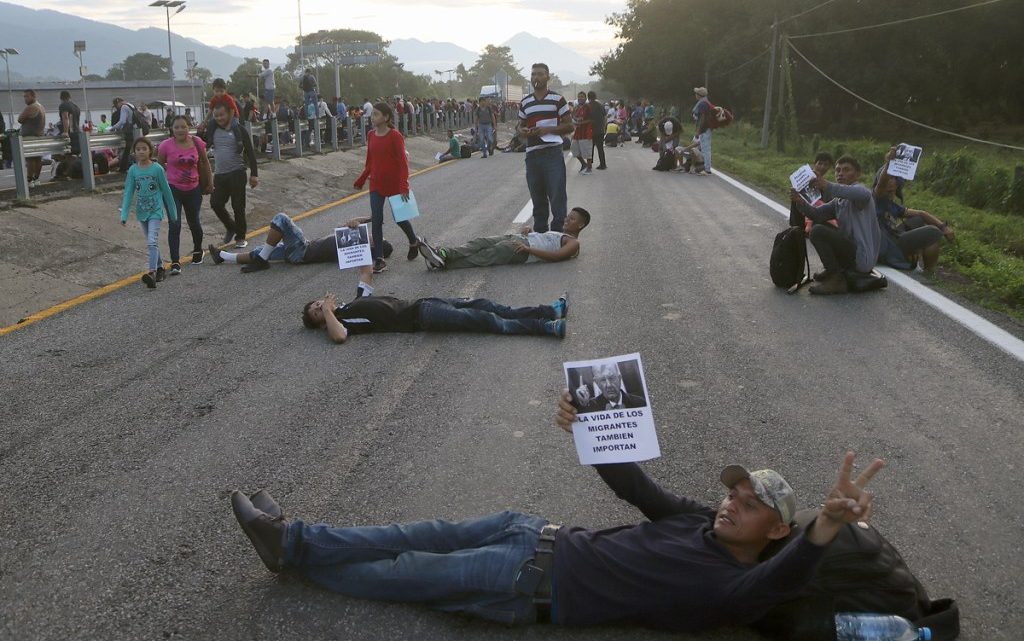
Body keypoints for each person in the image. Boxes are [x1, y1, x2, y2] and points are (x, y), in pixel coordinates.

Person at [230, 391, 883, 632]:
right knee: (408, 533)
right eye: (733, 494)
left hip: (525, 584)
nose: (730, 504)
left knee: (404, 571)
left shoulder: (736, 587)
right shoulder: (696, 521)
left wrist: (826, 525)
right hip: (530, 531)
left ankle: (292, 554)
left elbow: (784, 577)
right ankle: (294, 538)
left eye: (748, 505)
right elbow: (640, 491)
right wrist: (587, 429)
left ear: (777, 529)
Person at [207, 212, 392, 294]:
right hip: (300, 253)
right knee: (262, 250)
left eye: (377, 239)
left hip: (303, 250)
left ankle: (261, 261)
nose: (373, 235)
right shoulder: (355, 243)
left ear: (375, 246)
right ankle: (223, 257)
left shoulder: (359, 250)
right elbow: (344, 226)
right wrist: (369, 218)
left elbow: (369, 265)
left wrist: (378, 259)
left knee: (281, 219)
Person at [298, 292, 569, 343]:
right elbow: (339, 337)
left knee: (489, 305)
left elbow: (366, 271)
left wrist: (356, 225)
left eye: (318, 303)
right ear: (320, 322)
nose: (321, 306)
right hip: (421, 316)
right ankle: (546, 327)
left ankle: (549, 310)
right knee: (486, 319)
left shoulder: (349, 305)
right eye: (317, 311)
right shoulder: (342, 322)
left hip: (425, 302)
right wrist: (329, 313)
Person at [789, 155, 882, 295]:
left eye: (846, 170)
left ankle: (836, 278)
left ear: (858, 174)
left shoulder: (863, 192)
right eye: (838, 170)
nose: (840, 173)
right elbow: (817, 214)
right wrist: (800, 201)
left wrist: (826, 185)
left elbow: (860, 194)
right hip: (850, 251)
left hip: (861, 257)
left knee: (818, 231)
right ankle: (832, 270)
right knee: (818, 225)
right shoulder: (839, 201)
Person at [352, 102, 424, 273]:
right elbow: (370, 162)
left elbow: (403, 163)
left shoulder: (395, 136)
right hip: (376, 183)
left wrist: (403, 185)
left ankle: (413, 241)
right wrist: (361, 179)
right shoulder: (371, 135)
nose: (373, 117)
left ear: (386, 117)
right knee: (376, 219)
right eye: (373, 114)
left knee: (400, 218)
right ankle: (379, 259)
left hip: (394, 184)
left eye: (376, 114)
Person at [416, 207, 590, 271]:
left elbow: (557, 257)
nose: (567, 219)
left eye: (572, 219)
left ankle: (443, 264)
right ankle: (443, 253)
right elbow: (546, 241)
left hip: (523, 249)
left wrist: (528, 249)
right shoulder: (560, 234)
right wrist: (531, 231)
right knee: (480, 242)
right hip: (520, 239)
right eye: (568, 216)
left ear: (581, 225)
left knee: (485, 255)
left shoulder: (574, 243)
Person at [873, 147, 955, 272]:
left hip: (892, 237)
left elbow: (921, 213)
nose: (890, 181)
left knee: (918, 219)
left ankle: (912, 254)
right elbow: (881, 184)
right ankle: (929, 273)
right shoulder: (876, 198)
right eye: (888, 178)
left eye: (893, 178)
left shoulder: (892, 204)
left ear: (898, 182)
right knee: (933, 232)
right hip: (886, 245)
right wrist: (890, 163)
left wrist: (943, 227)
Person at [517, 63, 574, 233]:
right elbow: (520, 125)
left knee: (557, 196)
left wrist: (547, 130)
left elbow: (570, 126)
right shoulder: (525, 102)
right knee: (537, 197)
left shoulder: (558, 100)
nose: (536, 77)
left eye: (540, 74)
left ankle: (557, 234)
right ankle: (540, 234)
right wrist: (523, 131)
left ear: (548, 77)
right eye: (533, 74)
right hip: (532, 154)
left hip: (552, 153)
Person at [119, 137, 177, 288]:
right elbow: (128, 193)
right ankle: (160, 267)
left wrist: (173, 213)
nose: (141, 152)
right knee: (152, 243)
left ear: (150, 151)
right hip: (141, 212)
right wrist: (124, 214)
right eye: (138, 149)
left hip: (155, 211)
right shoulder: (133, 170)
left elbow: (166, 191)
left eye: (144, 149)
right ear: (134, 152)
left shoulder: (157, 169)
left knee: (152, 241)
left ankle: (151, 272)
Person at [158, 115, 212, 271]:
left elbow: (205, 162)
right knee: (174, 224)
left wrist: (210, 182)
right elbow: (159, 166)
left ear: (189, 127)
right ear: (172, 129)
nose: (180, 130)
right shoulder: (165, 145)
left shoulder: (197, 142)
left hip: (194, 189)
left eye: (183, 127)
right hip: (172, 189)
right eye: (176, 127)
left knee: (194, 221)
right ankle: (175, 261)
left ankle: (198, 249)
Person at [204, 102, 259, 249]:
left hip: (237, 173)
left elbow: (250, 152)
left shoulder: (238, 129)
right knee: (215, 203)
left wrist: (254, 174)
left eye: (222, 115)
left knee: (238, 206)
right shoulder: (213, 130)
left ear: (230, 113)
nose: (219, 118)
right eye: (216, 116)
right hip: (219, 175)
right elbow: (202, 143)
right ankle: (231, 226)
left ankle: (240, 237)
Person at [574, 363, 646, 412]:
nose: (609, 385)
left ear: (619, 378)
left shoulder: (640, 403)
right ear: (597, 383)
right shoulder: (589, 407)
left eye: (611, 378)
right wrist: (583, 404)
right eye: (602, 380)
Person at [18, 89, 46, 185]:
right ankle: (36, 179)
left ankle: (29, 180)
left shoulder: (31, 107)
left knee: (30, 159)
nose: (25, 99)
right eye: (24, 97)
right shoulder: (41, 106)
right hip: (39, 136)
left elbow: (20, 119)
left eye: (27, 96)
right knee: (38, 158)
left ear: (33, 96)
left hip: (30, 137)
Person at [109, 97, 138, 173]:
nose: (117, 107)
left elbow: (122, 121)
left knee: (126, 151)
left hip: (129, 132)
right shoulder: (131, 105)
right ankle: (136, 166)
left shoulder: (124, 107)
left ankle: (123, 168)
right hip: (136, 131)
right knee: (134, 150)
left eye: (116, 105)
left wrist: (113, 128)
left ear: (118, 102)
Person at [692, 87, 713, 175]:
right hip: (706, 129)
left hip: (704, 129)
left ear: (699, 95)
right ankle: (701, 167)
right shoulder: (705, 102)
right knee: (702, 147)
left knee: (705, 149)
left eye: (696, 93)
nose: (695, 95)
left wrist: (698, 130)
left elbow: (702, 118)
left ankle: (706, 168)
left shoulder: (703, 104)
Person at [571, 92, 593, 175]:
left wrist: (581, 123)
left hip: (586, 132)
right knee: (574, 148)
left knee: (587, 151)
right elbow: (573, 116)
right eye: (579, 97)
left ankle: (589, 168)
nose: (580, 98)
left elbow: (592, 119)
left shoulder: (588, 107)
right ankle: (584, 164)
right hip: (577, 132)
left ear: (585, 98)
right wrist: (575, 119)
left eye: (582, 97)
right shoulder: (576, 107)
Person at [58, 90, 82, 157]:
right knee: (75, 155)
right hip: (77, 133)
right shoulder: (76, 107)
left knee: (67, 155)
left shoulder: (63, 105)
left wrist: (65, 132)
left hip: (70, 133)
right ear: (69, 97)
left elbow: (65, 117)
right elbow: (77, 121)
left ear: (61, 98)